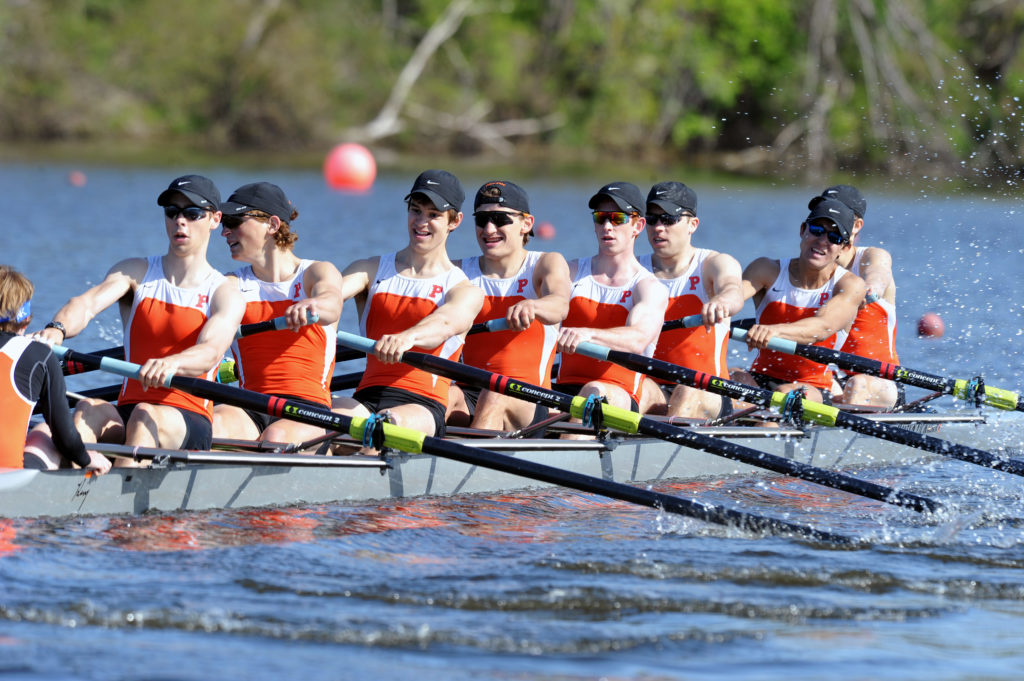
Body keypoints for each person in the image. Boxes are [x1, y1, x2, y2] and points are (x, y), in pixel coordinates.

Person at [32, 175, 245, 461]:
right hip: (131, 407)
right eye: (172, 212)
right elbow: (86, 304)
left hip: (188, 417)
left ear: (215, 219)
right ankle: (70, 487)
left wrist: (172, 363)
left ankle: (115, 500)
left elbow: (210, 352)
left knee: (145, 417)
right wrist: (55, 330)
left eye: (192, 213)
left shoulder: (225, 292)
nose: (180, 221)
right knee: (88, 409)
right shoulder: (135, 272)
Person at [333, 170, 484, 440]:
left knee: (384, 429)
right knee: (323, 422)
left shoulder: (464, 290)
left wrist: (408, 337)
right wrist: (310, 306)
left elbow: (445, 323)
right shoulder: (368, 269)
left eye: (434, 215)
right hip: (365, 398)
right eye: (416, 210)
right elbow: (330, 297)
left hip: (423, 406)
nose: (421, 222)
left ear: (455, 221)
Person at [211, 182, 344, 446]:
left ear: (272, 225)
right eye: (224, 222)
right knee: (210, 426)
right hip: (250, 405)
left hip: (309, 408)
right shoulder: (230, 285)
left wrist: (312, 306)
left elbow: (331, 303)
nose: (225, 231)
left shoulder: (316, 272)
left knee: (276, 437)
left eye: (234, 220)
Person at [448, 180, 571, 430]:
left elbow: (559, 305)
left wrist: (534, 307)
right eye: (482, 219)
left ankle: (468, 461)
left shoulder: (545, 263)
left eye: (500, 219)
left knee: (495, 394)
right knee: (440, 396)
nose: (489, 228)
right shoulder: (458, 272)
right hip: (470, 393)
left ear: (526, 224)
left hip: (529, 398)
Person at [731, 198, 867, 404]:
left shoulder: (850, 285)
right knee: (728, 377)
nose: (822, 240)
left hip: (814, 387)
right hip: (759, 377)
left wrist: (774, 331)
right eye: (816, 230)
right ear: (803, 230)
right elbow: (730, 299)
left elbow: (821, 327)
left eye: (834, 237)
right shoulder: (766, 269)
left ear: (845, 248)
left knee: (785, 396)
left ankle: (761, 421)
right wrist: (716, 308)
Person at [554, 182, 668, 418]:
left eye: (617, 218)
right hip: (563, 388)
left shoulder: (648, 287)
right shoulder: (570, 272)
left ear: (638, 225)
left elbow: (637, 339)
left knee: (592, 392)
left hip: (620, 393)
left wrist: (588, 334)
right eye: (600, 218)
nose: (607, 226)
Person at [637, 181, 745, 420]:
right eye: (652, 219)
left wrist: (721, 302)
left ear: (692, 224)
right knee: (624, 390)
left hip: (708, 389)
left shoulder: (713, 263)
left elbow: (733, 289)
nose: (658, 227)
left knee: (686, 392)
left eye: (669, 219)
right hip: (654, 386)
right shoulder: (633, 269)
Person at [0, 266, 109, 473]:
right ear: (26, 319)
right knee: (43, 430)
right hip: (7, 479)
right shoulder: (39, 355)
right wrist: (85, 459)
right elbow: (65, 437)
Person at [811, 185, 901, 407]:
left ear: (856, 226)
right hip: (829, 378)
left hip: (879, 381)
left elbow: (879, 272)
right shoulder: (811, 264)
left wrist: (870, 289)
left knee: (856, 386)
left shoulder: (870, 257)